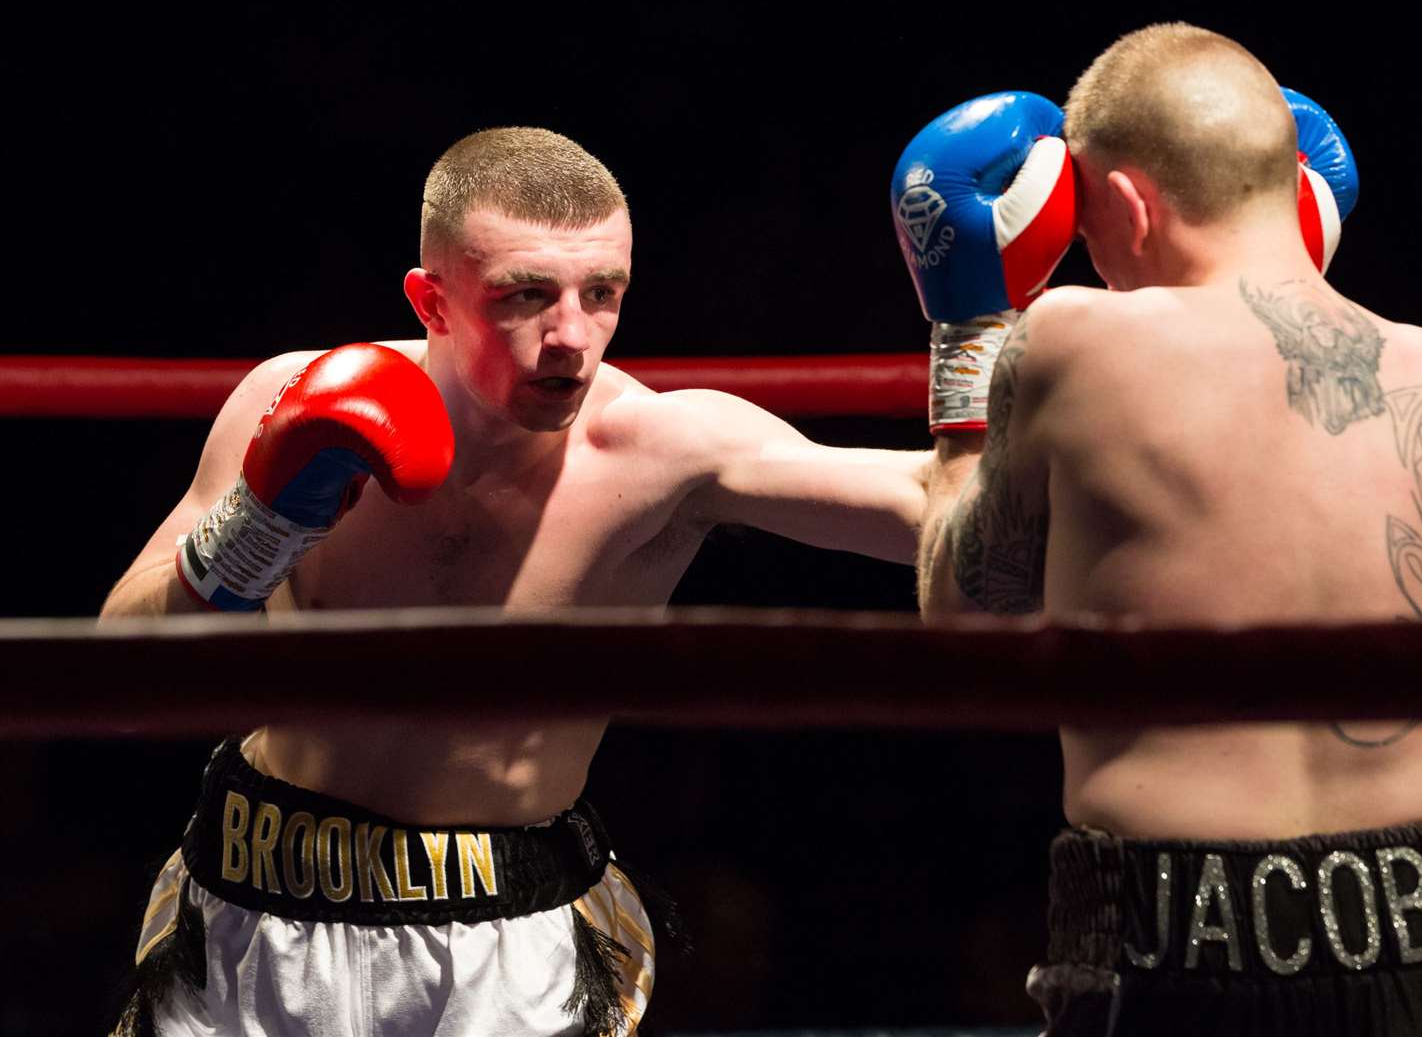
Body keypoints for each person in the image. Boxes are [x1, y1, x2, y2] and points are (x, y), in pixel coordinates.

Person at [103, 126, 931, 1037]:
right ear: (433, 300)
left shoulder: (663, 453)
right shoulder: (293, 395)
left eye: (602, 293)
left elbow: (938, 519)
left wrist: (975, 335)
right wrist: (259, 525)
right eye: (525, 295)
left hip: (506, 940)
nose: (572, 336)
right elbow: (120, 675)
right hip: (252, 901)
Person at [905, 25, 1422, 1034]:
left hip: (1171, 940)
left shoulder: (1076, 338)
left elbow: (965, 608)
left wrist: (968, 343)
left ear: (1123, 204)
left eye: (1087, 229)